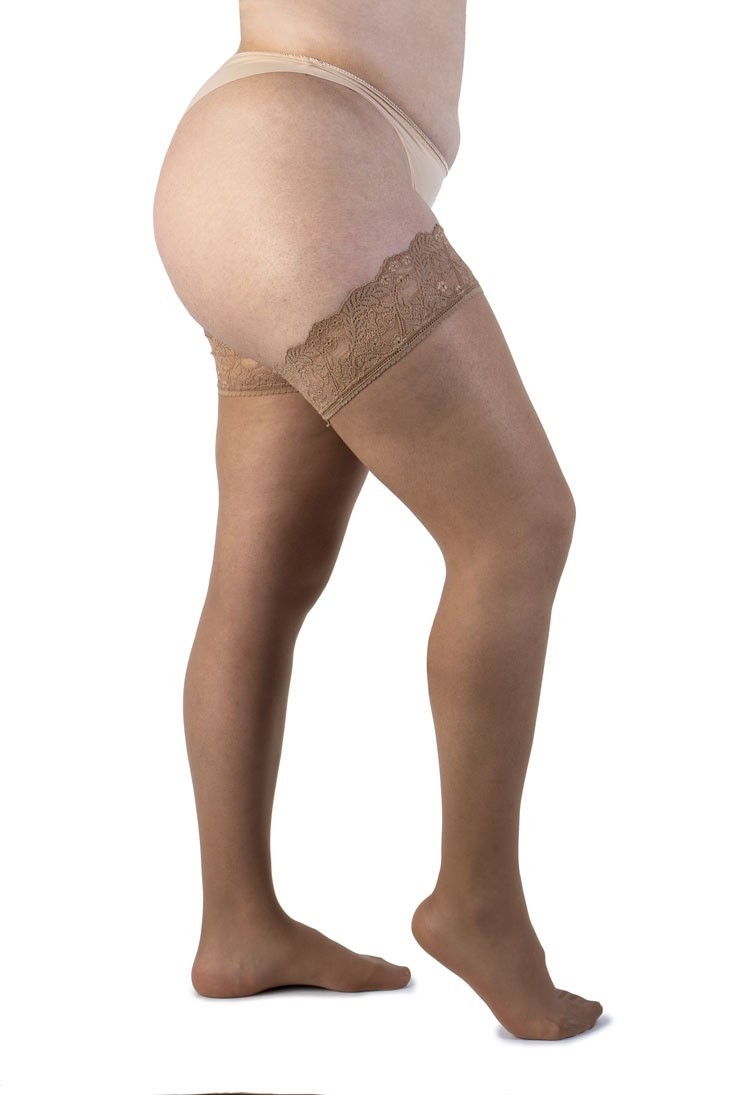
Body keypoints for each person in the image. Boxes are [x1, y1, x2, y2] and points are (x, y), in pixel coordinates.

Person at [152, 0, 603, 1041]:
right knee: (517, 526)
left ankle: (239, 924)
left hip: (259, 161)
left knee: (262, 578)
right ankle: (477, 902)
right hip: (303, 156)